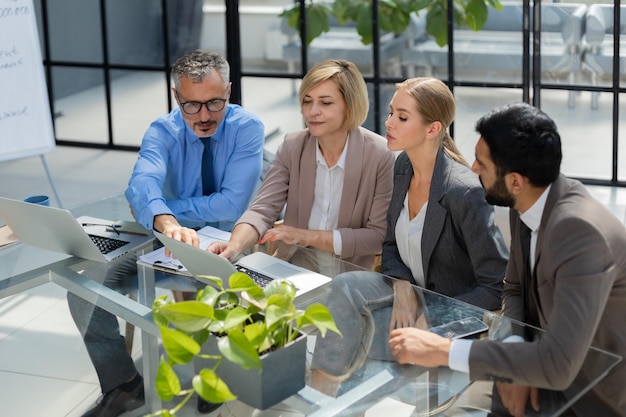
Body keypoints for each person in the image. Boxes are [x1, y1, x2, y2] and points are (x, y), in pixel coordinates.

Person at [388, 102, 626, 416]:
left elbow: (559, 366)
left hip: (591, 396)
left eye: (481, 164)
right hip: (539, 367)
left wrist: (443, 350)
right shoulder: (526, 199)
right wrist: (516, 349)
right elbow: (513, 288)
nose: (472, 169)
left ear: (515, 180)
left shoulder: (581, 232)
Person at [69, 49, 265, 417]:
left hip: (228, 243)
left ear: (230, 91)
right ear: (176, 97)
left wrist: (165, 208)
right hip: (167, 242)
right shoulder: (163, 130)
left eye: (215, 103)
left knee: (217, 296)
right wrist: (165, 222)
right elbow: (142, 183)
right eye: (192, 105)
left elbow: (230, 205)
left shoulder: (247, 127)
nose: (204, 116)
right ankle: (123, 384)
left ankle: (217, 377)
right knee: (85, 290)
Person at [309, 77, 508, 396]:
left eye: (402, 117)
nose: (388, 123)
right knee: (344, 287)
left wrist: (437, 318)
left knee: (375, 337)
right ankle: (320, 387)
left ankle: (359, 394)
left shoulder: (464, 192)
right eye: (391, 113)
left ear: (432, 129)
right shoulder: (402, 167)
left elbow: (496, 285)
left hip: (452, 307)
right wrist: (402, 288)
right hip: (411, 292)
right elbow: (390, 245)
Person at [208, 59, 395, 272]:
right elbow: (262, 210)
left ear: (350, 106)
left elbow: (378, 236)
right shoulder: (292, 146)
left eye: (325, 103)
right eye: (307, 101)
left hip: (348, 273)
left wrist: (307, 237)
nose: (312, 111)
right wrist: (233, 247)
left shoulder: (380, 155)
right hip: (295, 265)